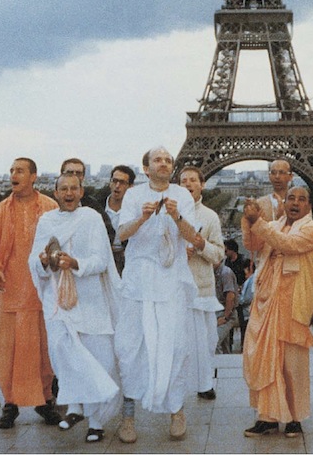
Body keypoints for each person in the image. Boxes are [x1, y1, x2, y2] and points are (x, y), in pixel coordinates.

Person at [29, 174, 121, 444]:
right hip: (57, 298)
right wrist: (43, 261)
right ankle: (74, 406)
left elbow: (101, 260)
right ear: (56, 193)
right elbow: (33, 260)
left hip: (89, 298)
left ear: (81, 192)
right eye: (64, 189)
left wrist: (75, 263)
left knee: (96, 358)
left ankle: (95, 422)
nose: (69, 193)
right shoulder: (46, 221)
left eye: (74, 189)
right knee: (63, 352)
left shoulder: (91, 218)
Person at [114, 147, 197, 444]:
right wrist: (142, 218)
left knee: (175, 347)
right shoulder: (134, 195)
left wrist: (176, 216)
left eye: (168, 160)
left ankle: (177, 411)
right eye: (158, 160)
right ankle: (128, 416)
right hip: (138, 283)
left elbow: (194, 237)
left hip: (171, 282)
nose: (164, 163)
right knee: (131, 348)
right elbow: (121, 234)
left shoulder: (182, 195)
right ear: (146, 168)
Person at [0, 157, 61, 429]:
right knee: (7, 353)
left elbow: (62, 244)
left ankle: (45, 401)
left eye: (20, 170)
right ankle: (10, 403)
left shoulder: (50, 207)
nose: (14, 174)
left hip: (41, 294)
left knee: (43, 352)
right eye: (12, 170)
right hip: (9, 292)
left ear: (33, 176)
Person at [241, 184, 313, 438]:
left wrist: (259, 223)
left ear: (309, 205)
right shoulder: (273, 225)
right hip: (266, 300)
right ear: (284, 203)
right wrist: (249, 218)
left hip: (293, 302)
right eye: (291, 198)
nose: (295, 203)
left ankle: (295, 418)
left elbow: (288, 245)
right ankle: (267, 417)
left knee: (292, 364)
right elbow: (252, 243)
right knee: (264, 359)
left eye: (301, 199)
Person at [179, 166, 225, 398]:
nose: (188, 184)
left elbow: (218, 255)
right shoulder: (167, 214)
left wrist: (201, 245)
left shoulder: (210, 217)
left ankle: (203, 381)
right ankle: (191, 384)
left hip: (201, 288)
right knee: (183, 342)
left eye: (192, 180)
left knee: (206, 339)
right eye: (183, 180)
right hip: (177, 288)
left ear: (202, 184)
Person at [60, 158, 115, 245]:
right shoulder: (51, 203)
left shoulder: (92, 204)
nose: (74, 176)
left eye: (78, 173)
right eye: (70, 173)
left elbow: (109, 233)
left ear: (83, 177)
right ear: (61, 175)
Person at [102, 165, 136, 274]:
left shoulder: (135, 211)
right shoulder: (98, 207)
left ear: (130, 187)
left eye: (122, 182)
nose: (117, 186)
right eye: (114, 181)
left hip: (127, 259)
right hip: (103, 257)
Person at [214, 259, 239, 354]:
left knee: (214, 341)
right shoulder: (214, 272)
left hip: (226, 313)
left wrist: (225, 317)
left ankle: (216, 363)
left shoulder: (225, 273)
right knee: (224, 347)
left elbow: (230, 296)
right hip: (219, 312)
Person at [256, 158, 293, 222]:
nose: (277, 176)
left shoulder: (299, 204)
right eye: (273, 173)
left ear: (291, 176)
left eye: (281, 173)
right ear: (269, 176)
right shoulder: (259, 204)